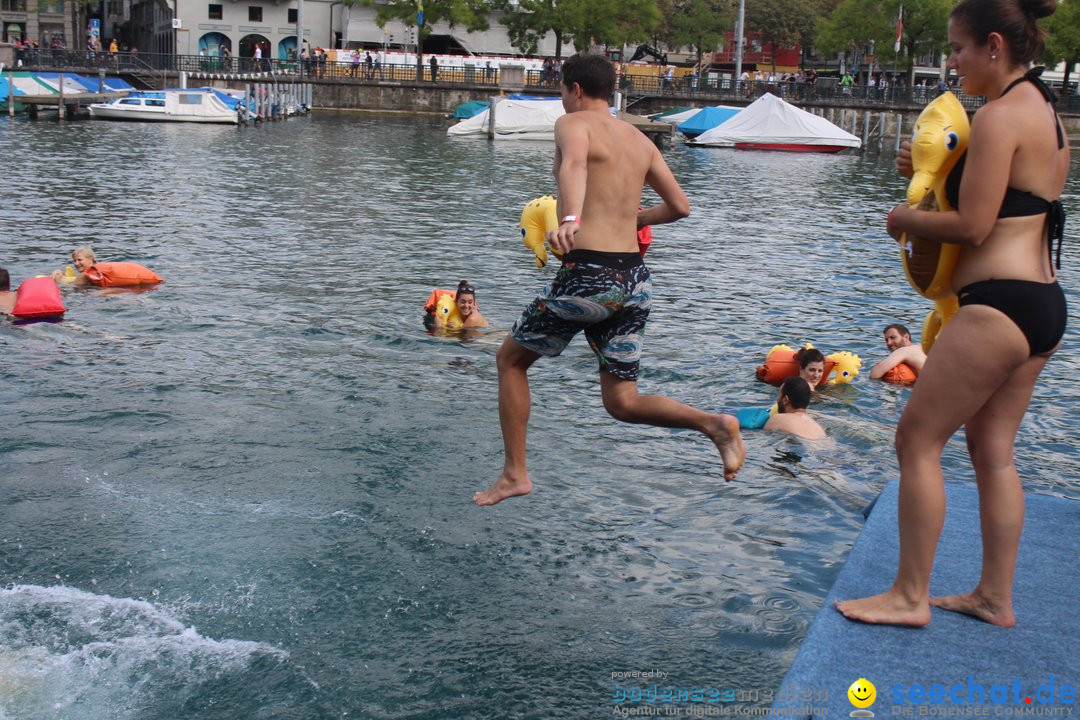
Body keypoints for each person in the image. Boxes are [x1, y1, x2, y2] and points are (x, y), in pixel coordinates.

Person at [835, 0, 1068, 628]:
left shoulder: (996, 117)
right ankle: (994, 596)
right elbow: (1011, 199)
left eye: (959, 49)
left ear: (994, 45)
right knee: (992, 450)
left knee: (917, 439)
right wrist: (933, 180)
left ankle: (910, 596)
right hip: (1043, 303)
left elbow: (973, 225)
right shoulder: (1045, 112)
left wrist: (903, 217)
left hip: (998, 305)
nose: (953, 62)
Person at [473, 52, 745, 506]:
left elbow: (575, 165)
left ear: (575, 89)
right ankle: (714, 424)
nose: (562, 100)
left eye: (562, 91)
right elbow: (680, 207)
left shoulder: (572, 124)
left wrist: (573, 217)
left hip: (590, 274)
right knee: (622, 401)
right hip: (634, 280)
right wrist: (633, 215)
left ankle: (514, 473)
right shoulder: (640, 140)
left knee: (510, 362)